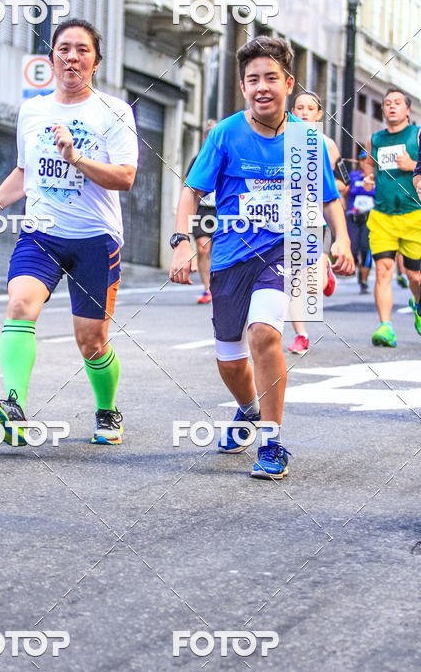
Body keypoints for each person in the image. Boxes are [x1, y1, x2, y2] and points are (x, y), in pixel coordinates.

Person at [170, 36, 353, 480]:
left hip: (284, 248)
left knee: (264, 334)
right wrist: (181, 241)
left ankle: (271, 442)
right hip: (231, 256)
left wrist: (342, 239)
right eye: (253, 79)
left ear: (288, 83)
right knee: (230, 361)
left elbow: (328, 197)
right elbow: (192, 191)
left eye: (271, 77)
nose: (262, 87)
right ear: (243, 86)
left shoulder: (306, 139)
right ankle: (249, 410)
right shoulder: (225, 133)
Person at [0, 19, 138, 446]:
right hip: (41, 234)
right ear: (51, 58)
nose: (72, 56)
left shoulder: (113, 111)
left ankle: (107, 410)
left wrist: (77, 158)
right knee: (19, 304)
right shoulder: (33, 111)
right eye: (64, 48)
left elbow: (125, 177)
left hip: (95, 238)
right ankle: (14, 407)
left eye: (82, 50)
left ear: (96, 61)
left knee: (91, 341)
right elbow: (25, 173)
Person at [287, 90, 347, 354]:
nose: (304, 113)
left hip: (316, 219)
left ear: (319, 114)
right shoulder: (283, 138)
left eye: (310, 109)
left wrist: (321, 185)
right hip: (288, 220)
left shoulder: (327, 144)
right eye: (299, 108)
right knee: (293, 280)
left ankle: (326, 273)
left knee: (315, 285)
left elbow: (343, 182)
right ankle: (301, 335)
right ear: (292, 112)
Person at [363, 88, 421, 347]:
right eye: (387, 103)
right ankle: (385, 326)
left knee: (415, 276)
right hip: (382, 215)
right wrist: (368, 177)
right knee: (383, 269)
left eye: (397, 102)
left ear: (407, 109)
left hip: (414, 214)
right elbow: (369, 164)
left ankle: (418, 304)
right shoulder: (375, 139)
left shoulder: (417, 135)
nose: (391, 106)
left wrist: (412, 165)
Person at [186, 119, 217, 304]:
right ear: (205, 138)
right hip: (203, 209)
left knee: (221, 249)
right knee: (203, 248)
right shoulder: (197, 160)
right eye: (209, 134)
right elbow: (188, 188)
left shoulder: (231, 156)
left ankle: (222, 287)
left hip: (224, 209)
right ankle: (208, 289)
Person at [346, 150, 373, 294]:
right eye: (362, 160)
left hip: (369, 219)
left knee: (366, 248)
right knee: (353, 248)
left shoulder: (377, 178)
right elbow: (347, 190)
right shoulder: (353, 176)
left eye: (367, 160)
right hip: (354, 217)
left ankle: (364, 281)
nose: (364, 163)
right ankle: (356, 270)